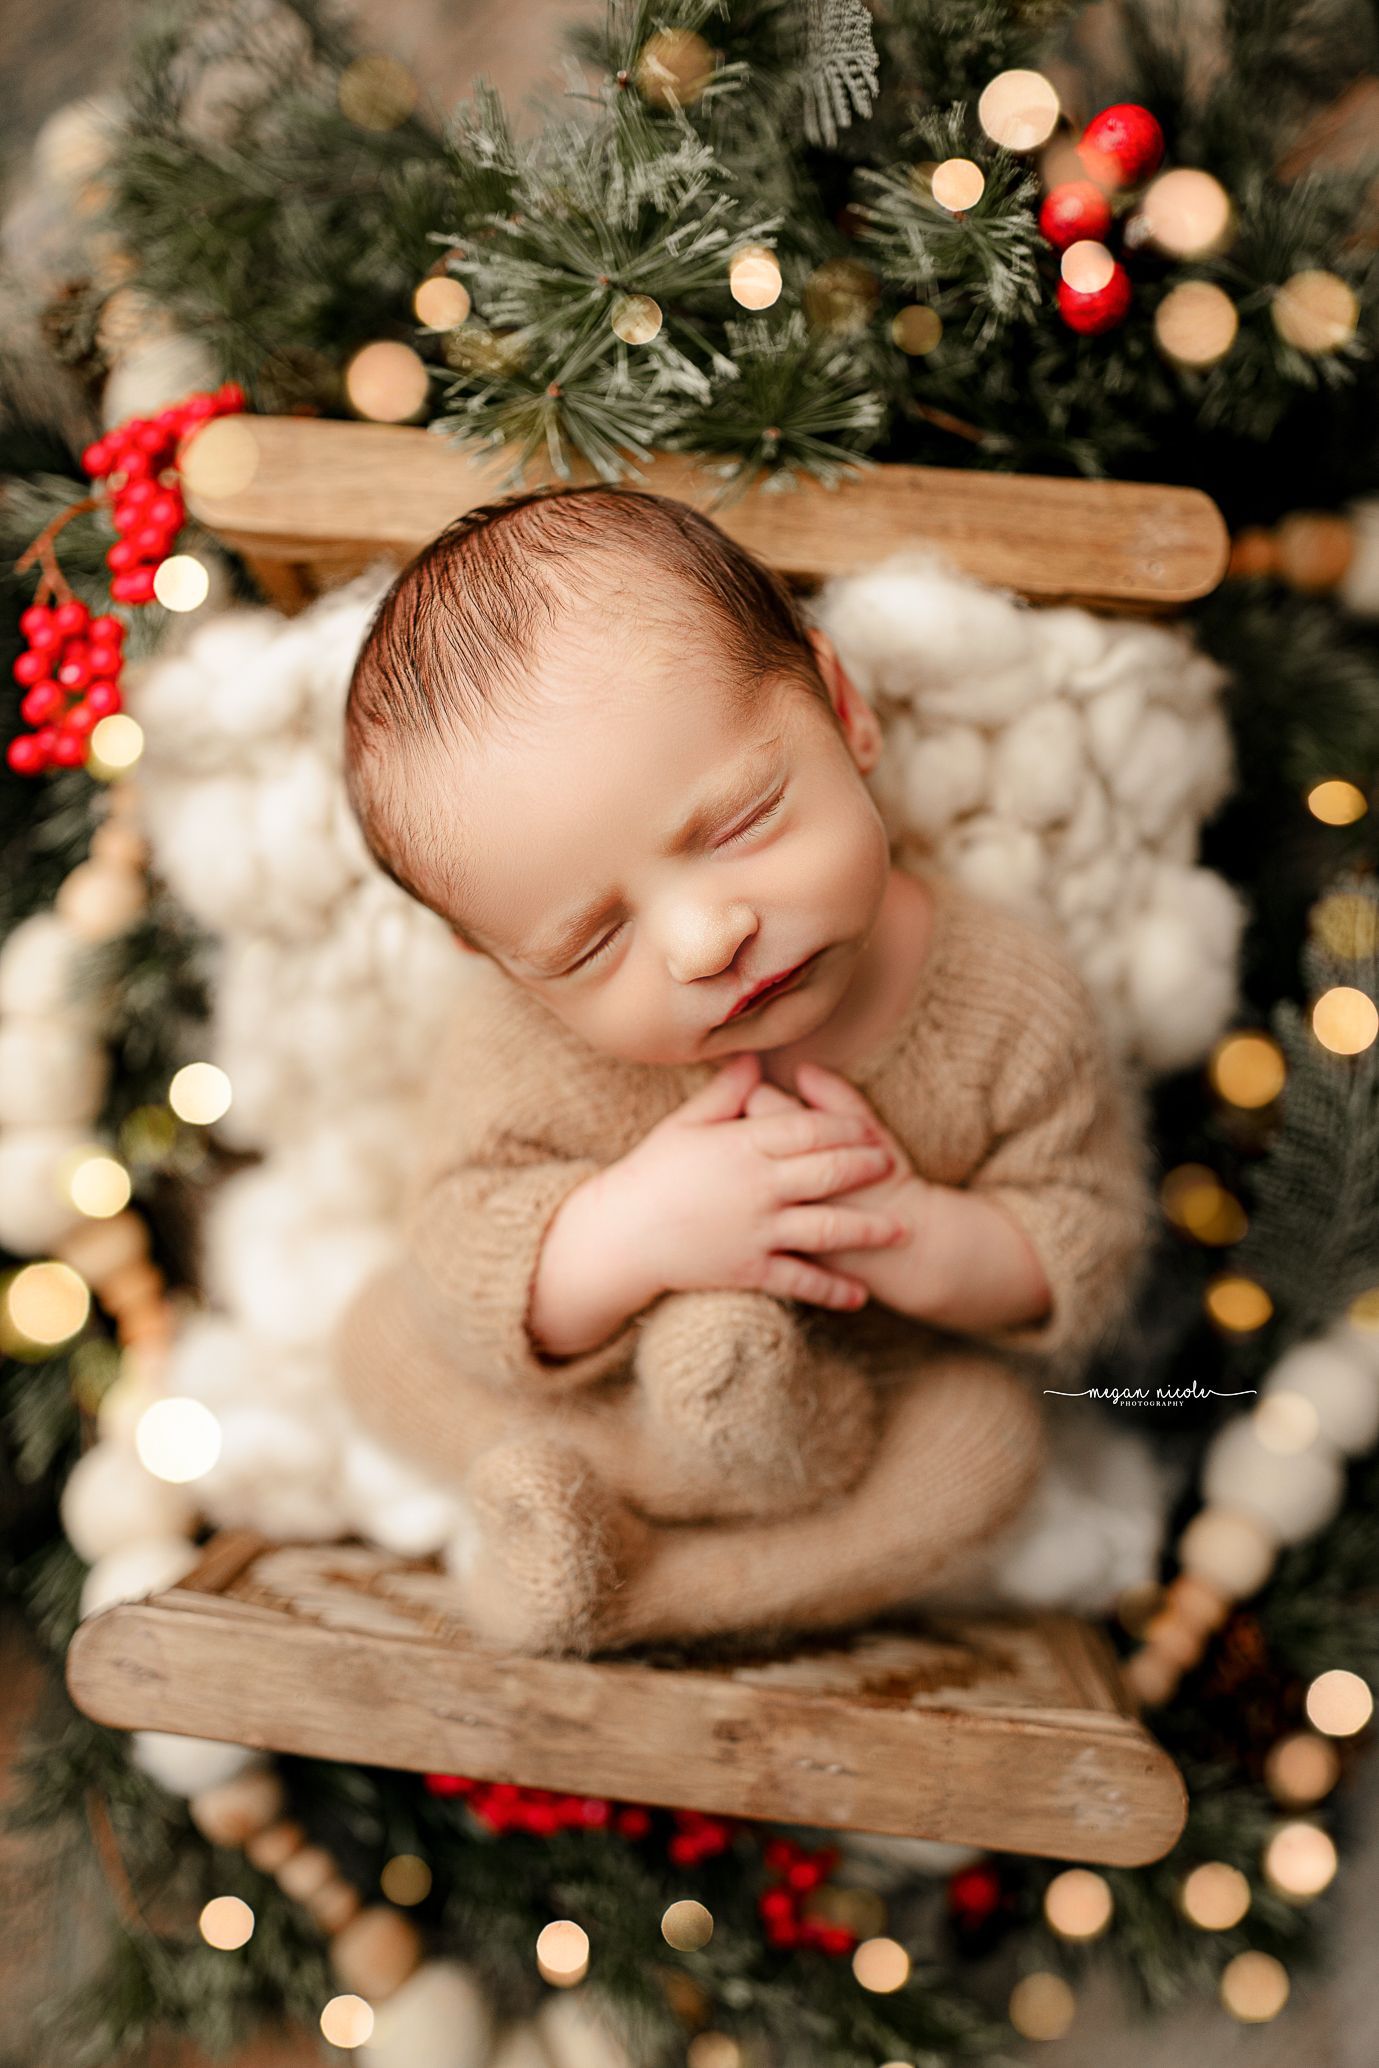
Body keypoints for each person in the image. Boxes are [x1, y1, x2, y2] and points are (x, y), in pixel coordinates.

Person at [333, 483, 1153, 1656]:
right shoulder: (522, 1044)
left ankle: (649, 1586)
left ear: (841, 709)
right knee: (382, 1332)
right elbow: (460, 1239)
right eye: (590, 941)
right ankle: (618, 1494)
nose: (701, 941)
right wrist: (623, 1233)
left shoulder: (1006, 999)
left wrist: (908, 1232)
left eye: (736, 824)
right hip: (603, 1413)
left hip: (859, 1423)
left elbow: (1081, 1240)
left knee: (985, 1445)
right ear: (506, 966)